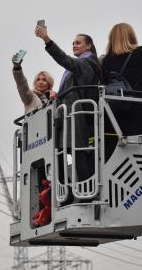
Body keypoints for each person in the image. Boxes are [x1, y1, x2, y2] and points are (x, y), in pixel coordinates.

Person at [35, 24, 100, 184]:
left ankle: (85, 190)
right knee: (65, 152)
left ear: (89, 46)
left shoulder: (86, 62)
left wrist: (46, 39)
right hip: (70, 116)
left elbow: (64, 59)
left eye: (78, 42)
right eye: (73, 43)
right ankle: (68, 188)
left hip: (77, 118)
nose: (74, 45)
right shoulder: (82, 63)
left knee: (79, 155)